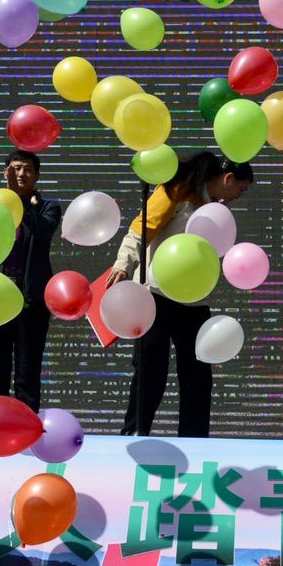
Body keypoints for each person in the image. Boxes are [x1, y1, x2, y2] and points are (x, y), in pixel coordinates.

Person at [113, 150, 254, 437]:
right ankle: (134, 436)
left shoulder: (216, 212)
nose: (240, 195)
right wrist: (123, 265)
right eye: (242, 188)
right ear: (228, 178)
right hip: (155, 295)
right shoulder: (178, 189)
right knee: (150, 373)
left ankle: (195, 440)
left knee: (198, 375)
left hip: (194, 301)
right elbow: (141, 229)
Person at [0, 147, 62, 409]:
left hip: (32, 300)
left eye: (27, 169)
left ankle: (26, 431)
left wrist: (17, 202)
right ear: (6, 173)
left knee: (28, 370)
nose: (21, 174)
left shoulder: (49, 208)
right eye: (15, 168)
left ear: (37, 176)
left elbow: (41, 231)